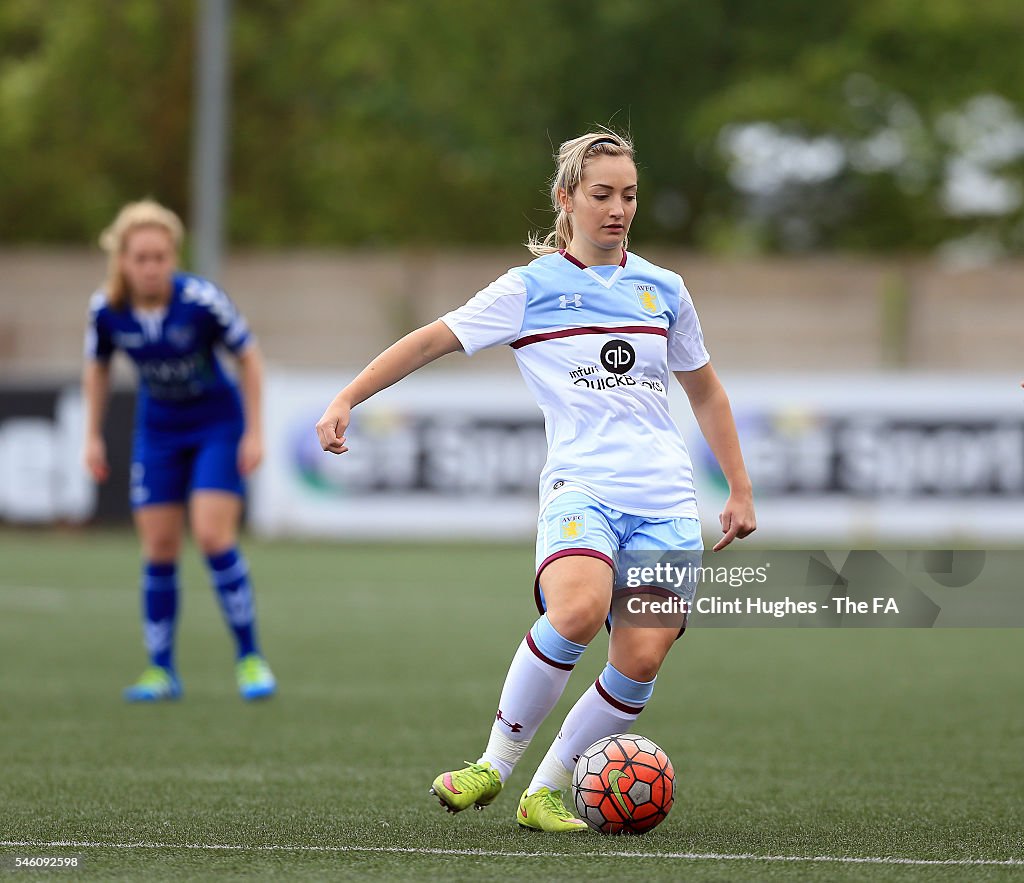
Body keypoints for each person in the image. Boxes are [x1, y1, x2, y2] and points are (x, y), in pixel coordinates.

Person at [316, 130, 755, 831]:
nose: (618, 209)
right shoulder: (530, 287)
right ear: (567, 198)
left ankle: (545, 789)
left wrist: (738, 487)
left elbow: (706, 392)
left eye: (630, 195)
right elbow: (431, 339)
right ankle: (493, 763)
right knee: (578, 609)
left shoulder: (665, 289)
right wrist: (347, 398)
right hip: (582, 488)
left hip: (666, 500)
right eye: (603, 194)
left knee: (641, 655)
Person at [83, 199, 276, 703]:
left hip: (216, 425)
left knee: (213, 536)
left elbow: (249, 357)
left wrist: (254, 431)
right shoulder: (106, 309)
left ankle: (250, 658)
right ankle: (161, 670)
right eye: (141, 257)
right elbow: (97, 366)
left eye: (160, 256)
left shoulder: (202, 301)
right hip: (159, 431)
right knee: (160, 548)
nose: (151, 267)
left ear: (174, 256)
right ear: (122, 259)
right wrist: (92, 434)